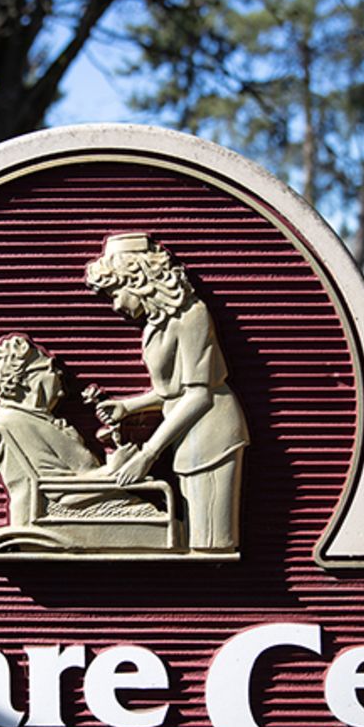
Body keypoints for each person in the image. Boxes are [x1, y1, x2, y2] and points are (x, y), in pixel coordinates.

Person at [85, 232, 249, 552]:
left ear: (137, 280)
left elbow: (200, 394)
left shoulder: (192, 315)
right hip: (186, 436)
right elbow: (173, 390)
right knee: (197, 541)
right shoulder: (156, 322)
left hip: (213, 438)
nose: (116, 304)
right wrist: (128, 407)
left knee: (212, 544)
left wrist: (146, 455)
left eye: (115, 293)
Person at [0, 334, 145, 525]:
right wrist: (112, 472)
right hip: (69, 514)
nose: (59, 374)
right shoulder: (17, 422)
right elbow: (60, 492)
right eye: (50, 368)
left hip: (91, 501)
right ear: (25, 379)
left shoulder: (34, 418)